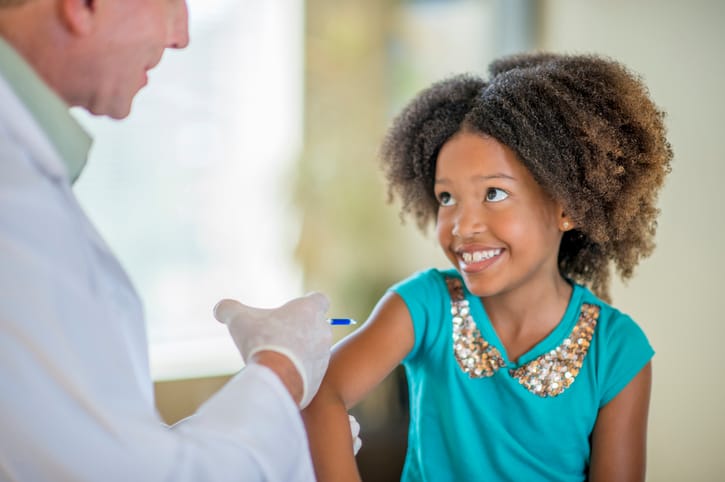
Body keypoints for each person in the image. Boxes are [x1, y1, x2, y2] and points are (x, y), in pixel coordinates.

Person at [0, 1, 349, 480]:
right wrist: (280, 369)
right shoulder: (14, 202)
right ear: (83, 5)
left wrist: (275, 410)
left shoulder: (23, 177)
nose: (181, 34)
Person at [303, 52, 673, 481]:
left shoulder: (617, 351)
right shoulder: (425, 307)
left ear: (567, 206)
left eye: (494, 193)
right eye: (446, 198)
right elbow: (321, 392)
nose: (463, 225)